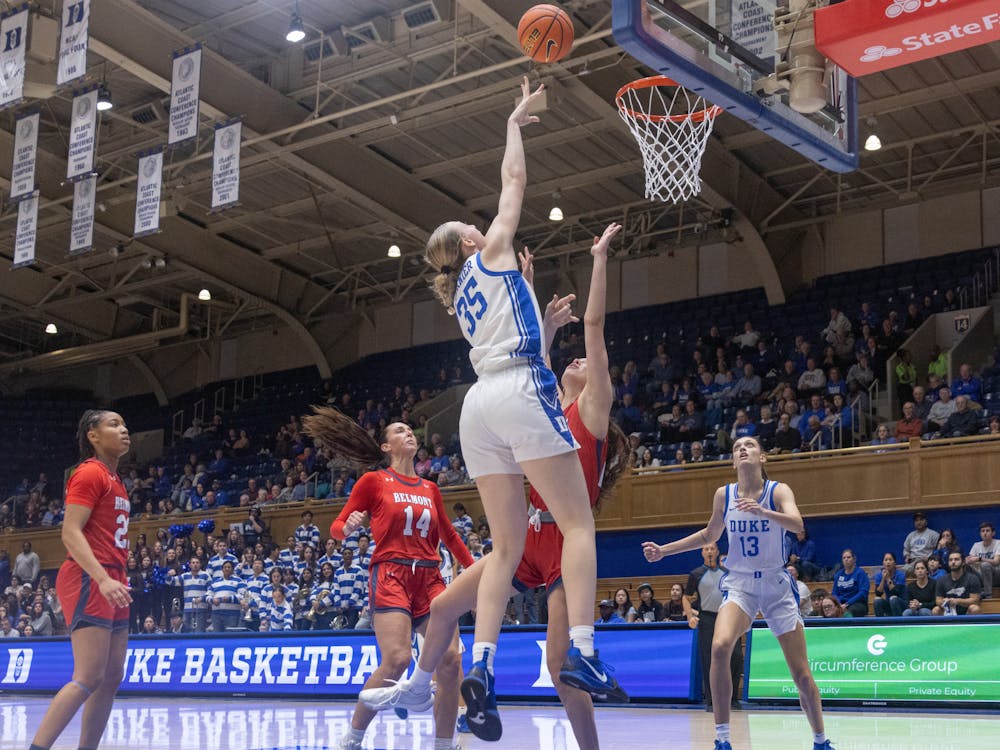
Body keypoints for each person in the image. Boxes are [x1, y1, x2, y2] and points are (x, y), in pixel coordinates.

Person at [359, 222, 630, 749]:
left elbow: (593, 327)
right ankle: (418, 687)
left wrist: (598, 259)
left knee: (559, 669)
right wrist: (527, 298)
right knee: (440, 607)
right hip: (525, 536)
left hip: (557, 545)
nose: (574, 362)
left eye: (580, 364)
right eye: (568, 361)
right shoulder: (548, 405)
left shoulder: (593, 409)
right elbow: (526, 366)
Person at [420, 76, 621, 728]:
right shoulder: (493, 250)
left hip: (476, 407)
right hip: (516, 389)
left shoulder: (460, 296)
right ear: (471, 242)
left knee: (503, 550)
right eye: (472, 227)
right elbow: (514, 183)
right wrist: (514, 120)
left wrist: (539, 306)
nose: (483, 225)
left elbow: (516, 328)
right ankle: (586, 651)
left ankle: (481, 665)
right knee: (577, 525)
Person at [641, 436, 835, 750]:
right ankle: (722, 739)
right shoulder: (724, 495)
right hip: (741, 584)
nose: (742, 449)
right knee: (719, 647)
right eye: (737, 448)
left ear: (763, 458)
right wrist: (664, 551)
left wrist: (763, 511)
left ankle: (820, 740)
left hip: (775, 586)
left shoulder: (778, 490)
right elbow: (709, 533)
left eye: (749, 445)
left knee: (801, 675)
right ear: (733, 462)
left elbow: (797, 523)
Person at [302, 410, 474, 750]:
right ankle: (352, 737)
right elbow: (337, 527)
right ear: (386, 445)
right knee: (397, 660)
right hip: (391, 572)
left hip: (430, 577)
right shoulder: (373, 481)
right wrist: (347, 527)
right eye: (400, 430)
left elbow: (449, 535)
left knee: (452, 661)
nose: (409, 433)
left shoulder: (430, 488)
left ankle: (442, 744)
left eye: (411, 429)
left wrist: (473, 567)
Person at [29, 410, 133, 750]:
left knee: (112, 676)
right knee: (89, 676)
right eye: (114, 424)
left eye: (124, 424)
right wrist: (102, 578)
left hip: (113, 577)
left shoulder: (117, 480)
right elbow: (69, 533)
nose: (124, 429)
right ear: (93, 434)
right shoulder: (89, 473)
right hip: (91, 576)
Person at [683, 541, 743, 711]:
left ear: (717, 552)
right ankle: (712, 701)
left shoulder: (727, 573)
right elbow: (686, 598)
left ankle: (732, 699)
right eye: (706, 549)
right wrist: (689, 616)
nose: (709, 551)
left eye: (712, 548)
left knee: (736, 655)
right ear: (702, 552)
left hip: (728, 616)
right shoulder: (696, 574)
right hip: (707, 618)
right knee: (709, 658)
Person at [933, 551, 982, 615]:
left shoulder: (972, 578)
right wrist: (945, 601)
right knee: (936, 610)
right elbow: (938, 600)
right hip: (948, 611)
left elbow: (975, 600)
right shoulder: (942, 580)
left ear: (963, 562)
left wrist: (957, 601)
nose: (953, 562)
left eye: (956, 559)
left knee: (975, 608)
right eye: (950, 560)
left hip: (966, 611)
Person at [832, 549, 870, 617]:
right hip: (841, 604)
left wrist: (847, 604)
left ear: (854, 559)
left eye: (848, 557)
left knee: (850, 611)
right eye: (844, 558)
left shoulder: (860, 573)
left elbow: (863, 593)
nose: (846, 559)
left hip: (857, 604)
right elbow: (834, 592)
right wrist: (839, 604)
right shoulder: (838, 575)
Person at [966, 521, 999, 598]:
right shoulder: (976, 545)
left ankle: (988, 595)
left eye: (987, 531)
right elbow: (971, 560)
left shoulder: (998, 543)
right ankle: (969, 594)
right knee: (965, 566)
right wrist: (967, 560)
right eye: (983, 531)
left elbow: (996, 562)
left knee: (985, 565)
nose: (985, 533)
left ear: (993, 533)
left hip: (996, 575)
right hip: (981, 575)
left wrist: (979, 558)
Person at [872, 552, 906, 617]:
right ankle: (880, 624)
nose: (888, 562)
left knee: (893, 599)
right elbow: (878, 593)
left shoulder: (900, 575)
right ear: (883, 563)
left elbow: (896, 592)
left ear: (895, 563)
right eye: (886, 560)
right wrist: (883, 579)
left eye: (890, 560)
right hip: (889, 603)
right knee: (877, 600)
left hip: (901, 603)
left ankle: (898, 623)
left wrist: (888, 579)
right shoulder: (879, 575)